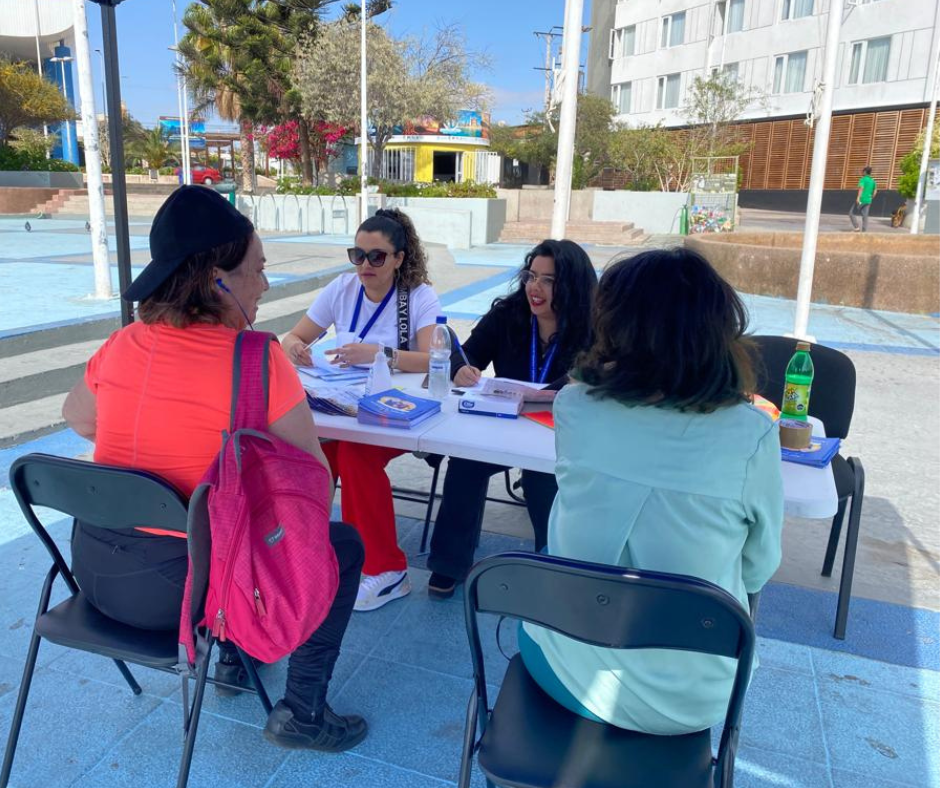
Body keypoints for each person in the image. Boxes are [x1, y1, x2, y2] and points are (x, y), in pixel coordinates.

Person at [62, 186, 367, 752]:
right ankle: (302, 710)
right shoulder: (256, 357)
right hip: (194, 597)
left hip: (97, 579)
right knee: (340, 544)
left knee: (221, 528)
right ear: (216, 279)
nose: (266, 283)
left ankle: (230, 660)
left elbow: (78, 419)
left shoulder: (123, 342)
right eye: (258, 269)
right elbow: (314, 484)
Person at [520, 247, 783, 735]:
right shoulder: (751, 433)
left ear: (614, 326)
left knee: (541, 594)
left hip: (570, 674)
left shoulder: (576, 407)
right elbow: (759, 567)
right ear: (718, 333)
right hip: (693, 701)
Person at [282, 209, 441, 612]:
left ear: (400, 258)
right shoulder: (341, 289)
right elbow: (295, 335)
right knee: (315, 453)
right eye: (358, 255)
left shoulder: (418, 296)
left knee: (354, 456)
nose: (365, 265)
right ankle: (312, 555)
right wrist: (295, 347)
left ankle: (388, 570)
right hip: (343, 406)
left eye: (377, 257)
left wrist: (381, 355)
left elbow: (433, 359)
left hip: (396, 410)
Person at [425, 239, 597, 599]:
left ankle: (549, 569)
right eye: (531, 276)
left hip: (558, 430)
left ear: (572, 286)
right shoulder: (508, 313)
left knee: (542, 476)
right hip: (503, 423)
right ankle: (448, 564)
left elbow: (598, 374)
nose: (534, 288)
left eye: (548, 281)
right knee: (466, 462)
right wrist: (461, 368)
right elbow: (467, 352)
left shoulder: (593, 327)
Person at [849, 165, 878, 232]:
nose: (862, 172)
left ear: (865, 172)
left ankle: (856, 228)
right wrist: (871, 197)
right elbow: (875, 191)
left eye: (862, 171)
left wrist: (858, 198)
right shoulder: (872, 181)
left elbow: (861, 188)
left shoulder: (863, 179)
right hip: (868, 200)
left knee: (851, 213)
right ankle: (864, 231)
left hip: (861, 200)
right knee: (865, 215)